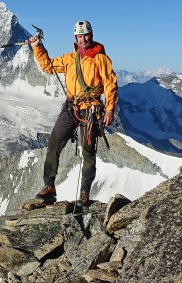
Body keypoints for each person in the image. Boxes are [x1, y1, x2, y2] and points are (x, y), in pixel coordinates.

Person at [28, 20, 118, 207]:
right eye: (80, 36)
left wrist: (110, 109)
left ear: (91, 36)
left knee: (88, 152)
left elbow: (110, 83)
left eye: (86, 35)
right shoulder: (70, 58)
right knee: (54, 143)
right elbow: (48, 67)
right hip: (71, 107)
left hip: (91, 109)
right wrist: (37, 47)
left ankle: (84, 192)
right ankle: (49, 187)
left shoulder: (101, 59)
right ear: (75, 38)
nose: (83, 39)